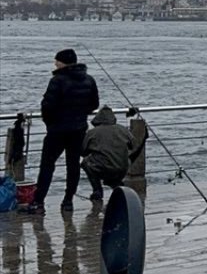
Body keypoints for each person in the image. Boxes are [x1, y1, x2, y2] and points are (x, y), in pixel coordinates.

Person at [31, 49, 99, 214]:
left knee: (47, 165)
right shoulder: (89, 80)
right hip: (78, 129)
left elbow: (47, 106)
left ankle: (38, 202)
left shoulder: (57, 80)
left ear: (63, 62)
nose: (55, 63)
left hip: (57, 130)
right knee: (73, 165)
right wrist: (80, 115)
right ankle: (68, 201)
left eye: (57, 61)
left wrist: (50, 123)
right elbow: (94, 104)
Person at [80, 107, 139, 201]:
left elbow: (82, 152)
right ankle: (115, 184)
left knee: (85, 163)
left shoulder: (92, 133)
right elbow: (134, 145)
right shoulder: (122, 129)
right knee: (115, 162)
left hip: (103, 168)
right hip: (122, 168)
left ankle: (97, 190)